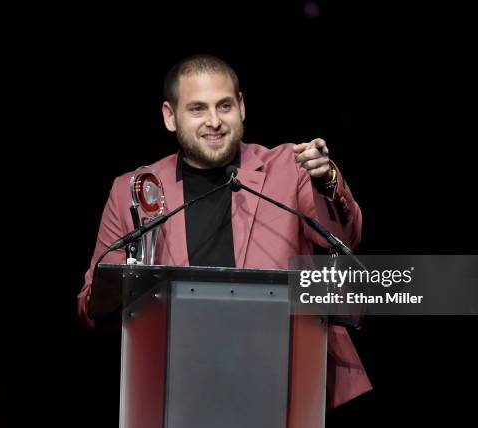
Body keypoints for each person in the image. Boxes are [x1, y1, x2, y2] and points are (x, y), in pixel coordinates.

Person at [78, 54, 371, 408]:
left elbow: (346, 235)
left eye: (224, 106)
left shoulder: (288, 168)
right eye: (198, 109)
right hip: (183, 387)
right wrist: (127, 284)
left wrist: (328, 180)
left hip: (291, 379)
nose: (214, 121)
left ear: (242, 107)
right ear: (170, 117)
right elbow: (91, 306)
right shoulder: (135, 189)